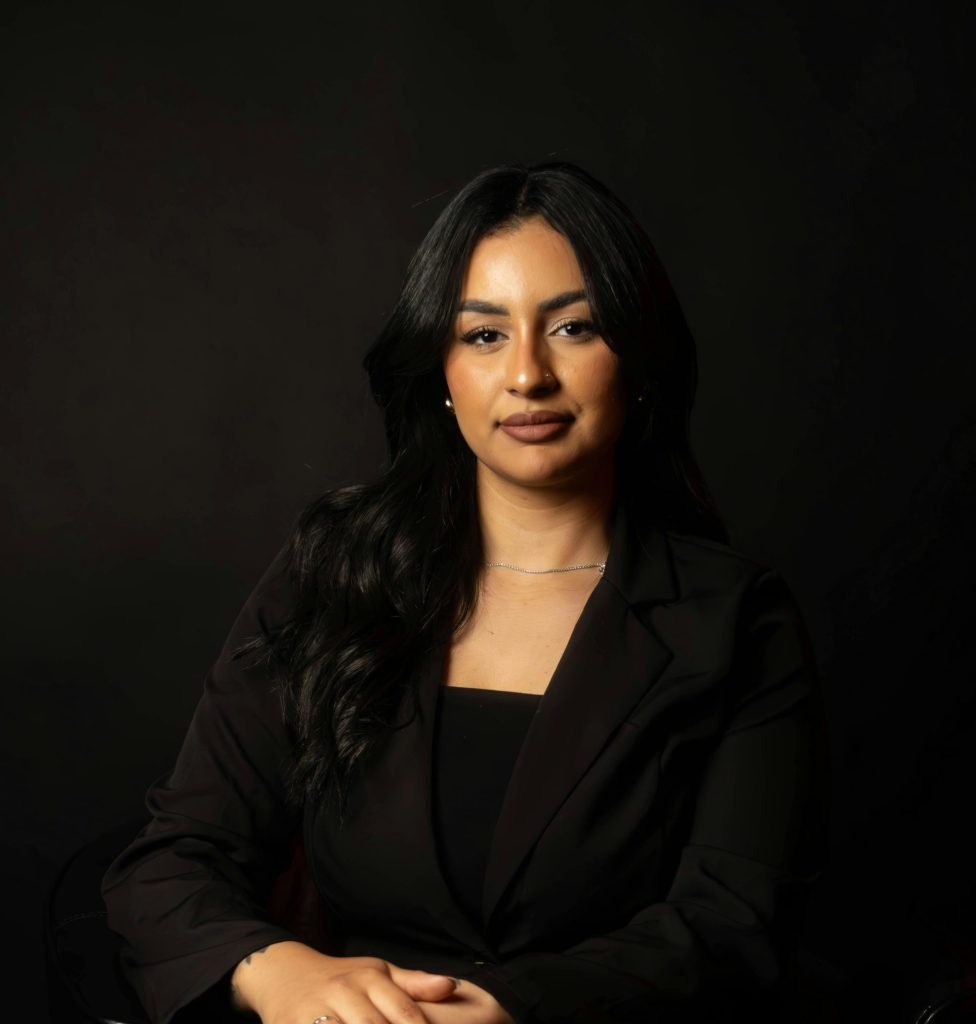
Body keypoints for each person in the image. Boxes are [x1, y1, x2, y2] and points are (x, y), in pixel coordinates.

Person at [102, 161, 830, 1024]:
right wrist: (279, 970)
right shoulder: (334, 574)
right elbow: (171, 863)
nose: (527, 375)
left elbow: (730, 924)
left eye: (575, 327)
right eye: (484, 334)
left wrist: (513, 1006)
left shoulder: (735, 617)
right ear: (439, 369)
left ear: (637, 359)